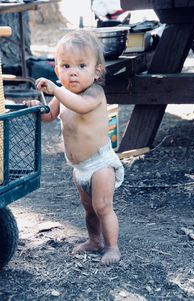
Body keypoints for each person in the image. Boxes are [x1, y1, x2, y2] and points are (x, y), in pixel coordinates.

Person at [24, 29, 124, 265]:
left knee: (102, 206)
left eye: (81, 66)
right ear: (57, 70)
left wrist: (57, 89)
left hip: (100, 163)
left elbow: (80, 106)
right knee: (89, 209)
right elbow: (50, 116)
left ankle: (112, 246)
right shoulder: (62, 95)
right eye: (66, 66)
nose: (73, 73)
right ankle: (94, 240)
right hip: (80, 168)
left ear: (96, 71)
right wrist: (38, 109)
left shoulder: (95, 93)